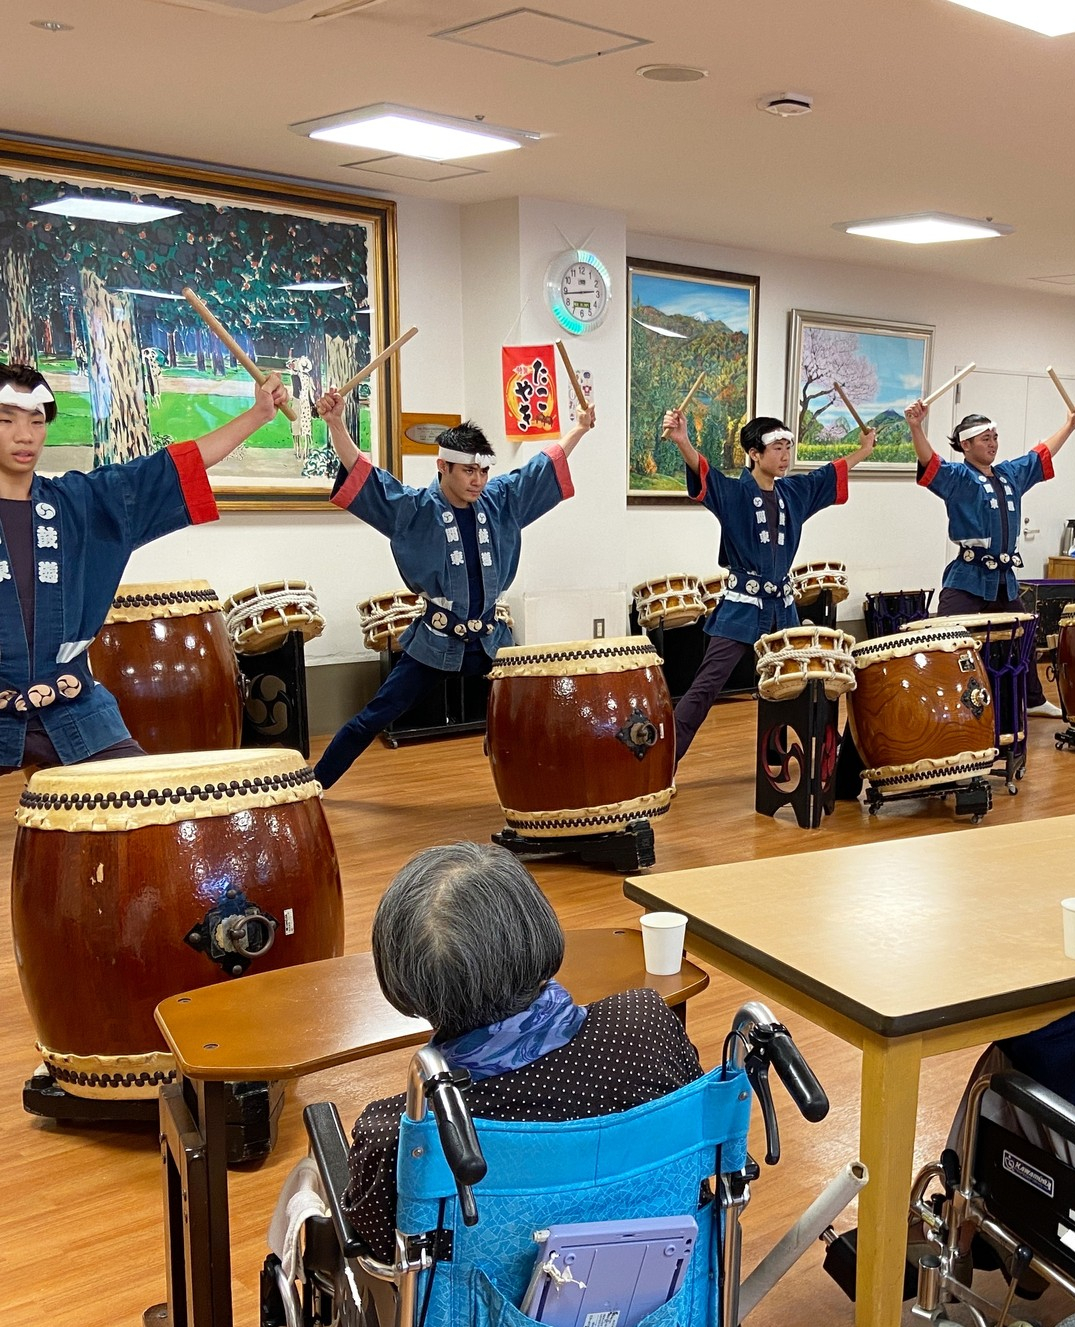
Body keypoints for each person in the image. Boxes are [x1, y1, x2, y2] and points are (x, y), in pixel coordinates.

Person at [341, 842, 703, 1260]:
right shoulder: (646, 1025)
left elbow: (385, 1252)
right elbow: (697, 1165)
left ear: (402, 980)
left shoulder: (404, 1132)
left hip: (482, 1321)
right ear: (538, 927)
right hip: (665, 1296)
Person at [0, 360, 285, 773]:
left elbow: (167, 470)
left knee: (143, 806)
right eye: (6, 420)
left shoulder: (79, 504)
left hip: (70, 705)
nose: (24, 435)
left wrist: (258, 414)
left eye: (36, 421)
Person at [312, 393, 595, 788]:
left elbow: (541, 468)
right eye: (467, 471)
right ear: (442, 465)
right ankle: (315, 785)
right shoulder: (413, 509)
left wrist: (578, 429)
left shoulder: (500, 501)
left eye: (482, 470)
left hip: (492, 639)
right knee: (378, 712)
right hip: (435, 639)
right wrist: (337, 425)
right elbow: (364, 474)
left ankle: (542, 789)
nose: (477, 480)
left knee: (530, 710)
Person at [662, 410, 875, 762]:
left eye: (788, 447)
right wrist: (683, 439)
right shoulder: (733, 494)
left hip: (784, 609)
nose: (785, 456)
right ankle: (664, 760)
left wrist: (864, 451)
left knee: (797, 684)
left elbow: (828, 474)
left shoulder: (794, 492)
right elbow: (705, 473)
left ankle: (798, 759)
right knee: (706, 686)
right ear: (754, 454)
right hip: (741, 608)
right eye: (776, 448)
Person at [905, 399, 1075, 717]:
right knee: (947, 635)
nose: (993, 444)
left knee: (1024, 634)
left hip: (1003, 579)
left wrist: (1069, 425)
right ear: (966, 444)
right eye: (985, 438)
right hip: (968, 576)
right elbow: (929, 461)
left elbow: (1040, 455)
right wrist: (916, 427)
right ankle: (940, 699)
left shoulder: (1009, 475)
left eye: (995, 437)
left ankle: (1033, 699)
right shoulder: (958, 477)